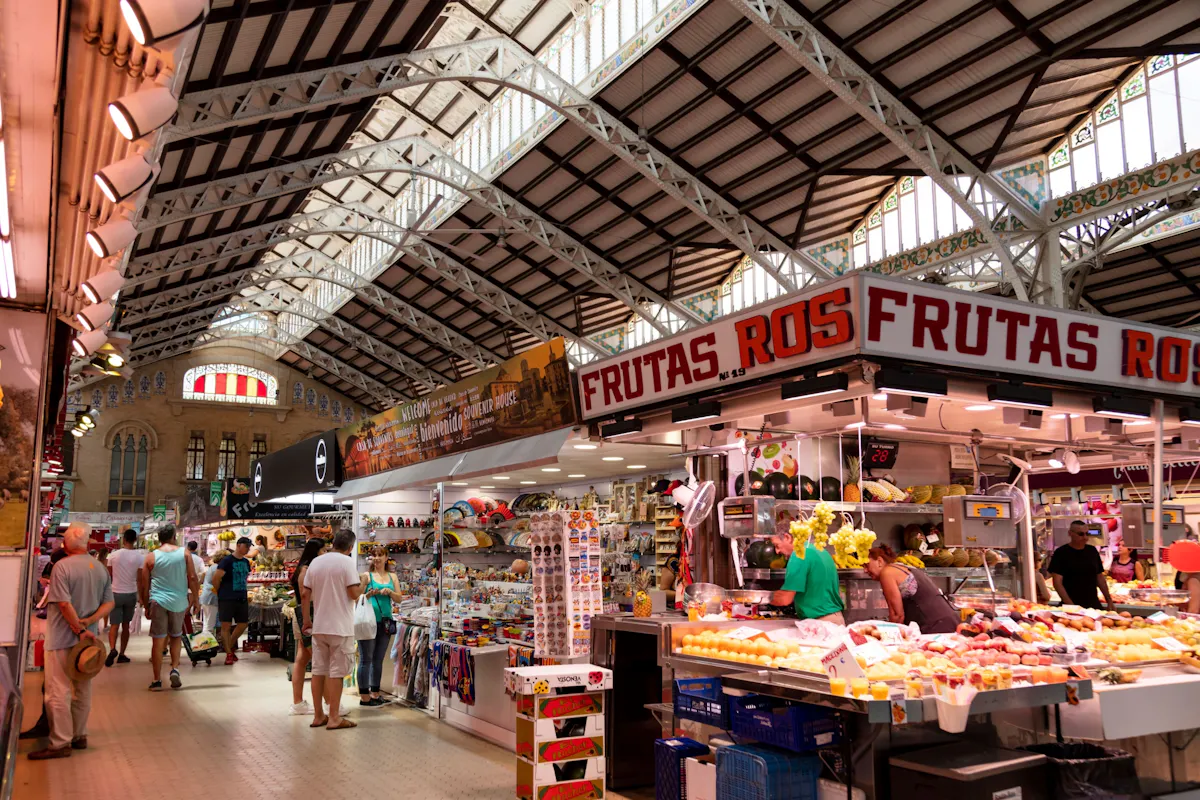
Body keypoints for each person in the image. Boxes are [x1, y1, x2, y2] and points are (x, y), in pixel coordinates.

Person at [30, 523, 114, 760]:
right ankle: (79, 735)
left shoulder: (61, 567)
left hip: (61, 639)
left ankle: (60, 742)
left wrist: (78, 627)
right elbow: (109, 604)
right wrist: (89, 622)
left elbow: (64, 604)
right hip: (86, 644)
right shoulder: (99, 568)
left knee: (57, 691)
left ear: (66, 544)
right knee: (82, 688)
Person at [302, 529, 362, 730]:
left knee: (318, 671)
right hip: (340, 627)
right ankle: (334, 717)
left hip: (320, 626)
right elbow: (353, 593)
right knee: (336, 673)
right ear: (351, 547)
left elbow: (304, 594)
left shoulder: (316, 562)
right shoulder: (347, 563)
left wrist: (306, 621)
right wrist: (364, 584)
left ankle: (318, 715)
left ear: (333, 542)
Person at [140, 525, 199, 691]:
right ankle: (175, 669)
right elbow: (193, 577)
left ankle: (157, 680)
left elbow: (145, 585)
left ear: (159, 538)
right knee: (176, 637)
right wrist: (196, 599)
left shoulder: (151, 557)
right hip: (179, 602)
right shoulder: (185, 554)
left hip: (158, 601)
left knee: (158, 641)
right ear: (174, 536)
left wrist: (146, 606)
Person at [864, 545, 959, 634]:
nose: (865, 570)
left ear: (879, 561)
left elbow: (897, 615)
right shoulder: (903, 567)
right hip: (948, 623)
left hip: (937, 628)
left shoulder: (887, 572)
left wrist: (888, 638)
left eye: (866, 565)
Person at [358, 546, 401, 706]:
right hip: (368, 622)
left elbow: (399, 599)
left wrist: (389, 592)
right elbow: (357, 597)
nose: (377, 558)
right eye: (374, 555)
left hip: (385, 622)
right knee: (366, 659)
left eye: (380, 555)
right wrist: (369, 594)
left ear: (386, 557)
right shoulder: (366, 576)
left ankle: (375, 692)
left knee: (378, 659)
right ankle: (364, 696)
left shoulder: (393, 577)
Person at [768, 534, 845, 624]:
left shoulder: (799, 555)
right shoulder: (816, 549)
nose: (777, 551)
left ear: (787, 537)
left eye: (777, 545)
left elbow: (785, 599)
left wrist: (761, 598)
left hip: (822, 622)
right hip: (833, 619)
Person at [1049, 520, 1114, 610]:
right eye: (1081, 534)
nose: (1085, 537)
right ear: (1070, 533)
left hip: (1093, 605)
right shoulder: (1061, 553)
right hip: (1070, 605)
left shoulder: (1092, 551)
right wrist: (1072, 607)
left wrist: (1109, 600)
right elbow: (1057, 583)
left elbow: (1099, 577)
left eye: (1087, 534)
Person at [212, 537, 252, 665]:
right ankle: (229, 653)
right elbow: (216, 578)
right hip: (227, 597)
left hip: (242, 596)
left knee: (243, 624)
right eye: (246, 546)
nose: (248, 549)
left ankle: (228, 645)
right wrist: (220, 592)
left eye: (249, 547)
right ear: (239, 545)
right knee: (226, 626)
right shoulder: (226, 561)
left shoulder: (246, 562)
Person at [104, 529, 141, 667]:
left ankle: (112, 649)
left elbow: (108, 576)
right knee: (126, 625)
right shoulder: (139, 557)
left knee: (114, 624)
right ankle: (122, 654)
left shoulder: (113, 555)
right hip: (131, 593)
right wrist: (142, 597)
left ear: (123, 540)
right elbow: (140, 579)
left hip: (115, 593)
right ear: (135, 540)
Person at [200, 549, 228, 634]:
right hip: (212, 598)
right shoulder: (218, 568)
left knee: (207, 623)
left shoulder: (213, 567)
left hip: (207, 597)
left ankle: (206, 644)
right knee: (209, 625)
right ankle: (206, 644)